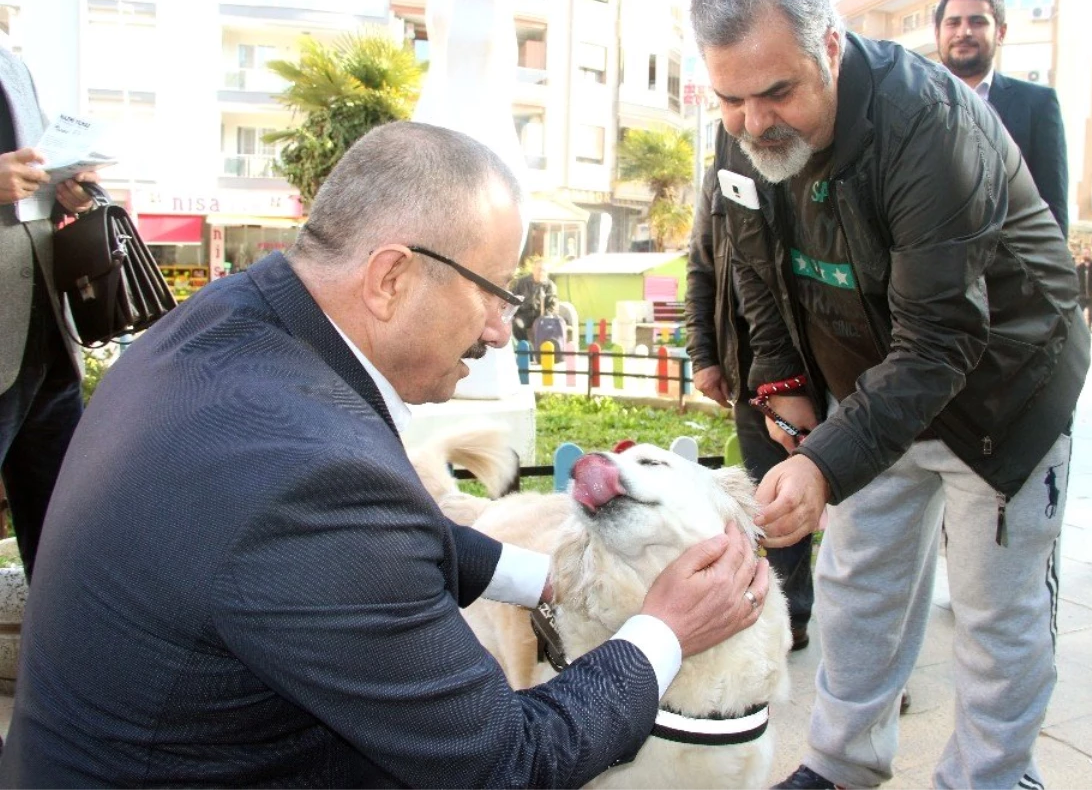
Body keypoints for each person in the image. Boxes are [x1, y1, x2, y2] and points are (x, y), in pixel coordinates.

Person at [0, 122, 771, 786]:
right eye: (495, 290)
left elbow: (378, 538)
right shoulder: (312, 474)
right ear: (392, 277)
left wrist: (547, 575)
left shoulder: (229, 325)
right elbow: (507, 760)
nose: (503, 328)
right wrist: (663, 630)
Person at [689, 0, 1089, 788]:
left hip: (1002, 388)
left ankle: (995, 775)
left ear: (831, 48)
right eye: (729, 98)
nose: (754, 123)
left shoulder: (930, 125)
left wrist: (827, 463)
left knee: (994, 611)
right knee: (858, 588)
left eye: (777, 93)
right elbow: (760, 275)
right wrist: (786, 381)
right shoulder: (741, 139)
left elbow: (941, 340)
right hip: (873, 384)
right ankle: (841, 763)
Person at [686, 163, 815, 652]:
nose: (750, 116)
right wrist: (704, 356)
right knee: (774, 507)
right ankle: (786, 617)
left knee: (857, 523)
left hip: (827, 369)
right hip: (749, 374)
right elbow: (701, 267)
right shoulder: (722, 166)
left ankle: (866, 657)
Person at [0, 46, 96, 582]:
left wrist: (64, 197)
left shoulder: (14, 66)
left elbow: (24, 199)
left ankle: (58, 661)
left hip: (44, 342)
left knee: (63, 546)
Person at [934, 0, 1069, 237]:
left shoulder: (1037, 104)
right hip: (925, 265)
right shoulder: (909, 103)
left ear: (1001, 32)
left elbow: (1053, 209)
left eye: (977, 22)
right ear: (937, 34)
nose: (964, 32)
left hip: (1007, 268)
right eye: (953, 22)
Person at [511, 256, 558, 344]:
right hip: (524, 315)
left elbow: (553, 305)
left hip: (542, 315)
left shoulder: (550, 286)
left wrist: (544, 317)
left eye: (543, 270)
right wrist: (515, 314)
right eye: (539, 269)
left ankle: (543, 351)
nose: (541, 272)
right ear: (533, 270)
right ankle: (525, 347)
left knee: (544, 324)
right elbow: (513, 299)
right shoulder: (521, 283)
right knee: (517, 324)